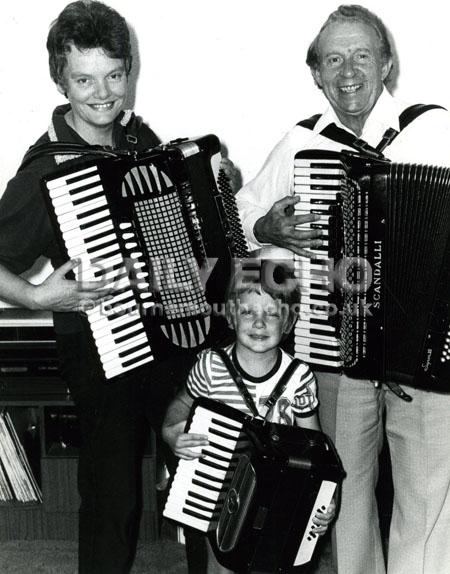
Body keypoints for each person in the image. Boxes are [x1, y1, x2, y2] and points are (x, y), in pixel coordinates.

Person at [0, 2, 238, 573]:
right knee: (115, 498)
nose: (102, 92)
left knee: (204, 466)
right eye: (84, 79)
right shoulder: (46, 169)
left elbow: (178, 223)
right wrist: (35, 297)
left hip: (175, 336)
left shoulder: (141, 139)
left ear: (129, 71)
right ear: (62, 80)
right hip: (102, 349)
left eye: (113, 75)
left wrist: (215, 188)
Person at [235, 5, 450, 574]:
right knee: (344, 494)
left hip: (426, 358)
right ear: (316, 74)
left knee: (426, 502)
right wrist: (265, 228)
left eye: (361, 56)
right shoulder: (302, 143)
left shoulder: (436, 131)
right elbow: (242, 210)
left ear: (386, 65)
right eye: (333, 59)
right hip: (335, 352)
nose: (348, 70)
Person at [162, 268, 337, 574]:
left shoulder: (299, 377)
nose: (259, 323)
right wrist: (170, 433)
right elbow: (181, 406)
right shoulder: (211, 365)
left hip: (278, 492)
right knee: (222, 566)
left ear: (289, 322)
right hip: (216, 489)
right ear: (231, 316)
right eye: (247, 311)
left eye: (272, 314)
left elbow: (316, 449)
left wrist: (324, 502)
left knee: (272, 563)